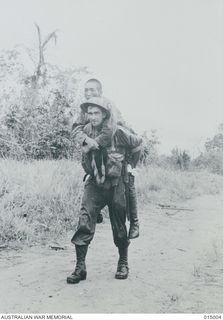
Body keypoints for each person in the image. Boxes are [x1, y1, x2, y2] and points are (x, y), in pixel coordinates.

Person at [67, 97, 142, 284]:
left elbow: (138, 144)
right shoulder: (86, 132)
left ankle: (123, 262)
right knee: (84, 220)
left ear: (105, 114)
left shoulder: (119, 132)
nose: (92, 117)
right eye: (89, 113)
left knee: (118, 225)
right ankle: (80, 267)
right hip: (94, 183)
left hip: (116, 183)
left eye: (96, 113)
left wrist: (131, 165)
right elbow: (85, 154)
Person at [72, 78, 140, 238]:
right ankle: (96, 211)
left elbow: (109, 132)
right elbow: (75, 128)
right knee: (92, 177)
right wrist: (85, 139)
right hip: (96, 145)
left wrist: (93, 143)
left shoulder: (109, 106)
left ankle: (134, 222)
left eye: (92, 90)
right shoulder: (84, 109)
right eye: (86, 90)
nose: (88, 93)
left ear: (100, 92)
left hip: (118, 143)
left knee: (127, 180)